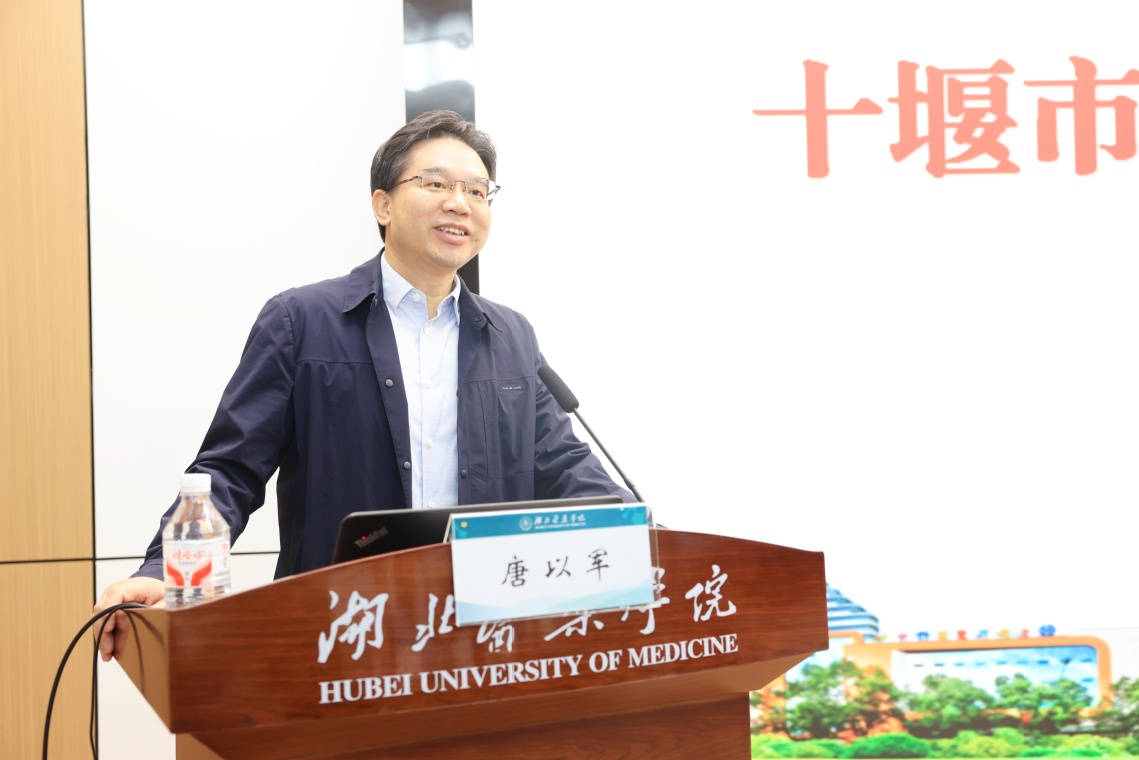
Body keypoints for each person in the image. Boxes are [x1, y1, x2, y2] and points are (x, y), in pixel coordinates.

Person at [93, 110, 633, 661]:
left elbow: (564, 463)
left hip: (483, 634)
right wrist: (162, 571)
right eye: (436, 184)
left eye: (477, 190)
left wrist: (646, 539)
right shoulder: (301, 321)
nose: (460, 203)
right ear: (383, 205)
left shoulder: (510, 334)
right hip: (345, 630)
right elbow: (230, 470)